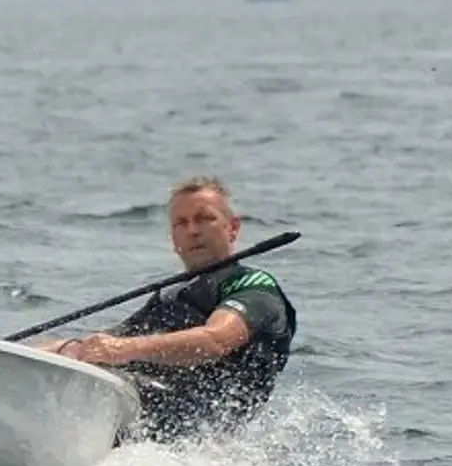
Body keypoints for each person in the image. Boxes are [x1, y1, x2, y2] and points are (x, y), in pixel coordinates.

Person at [34, 176, 296, 442]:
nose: (192, 230)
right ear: (173, 238)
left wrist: (123, 350)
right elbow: (101, 344)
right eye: (181, 223)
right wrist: (16, 354)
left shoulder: (254, 287)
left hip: (198, 426)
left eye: (204, 218)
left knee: (90, 384)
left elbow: (215, 340)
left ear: (233, 228)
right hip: (146, 411)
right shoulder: (172, 295)